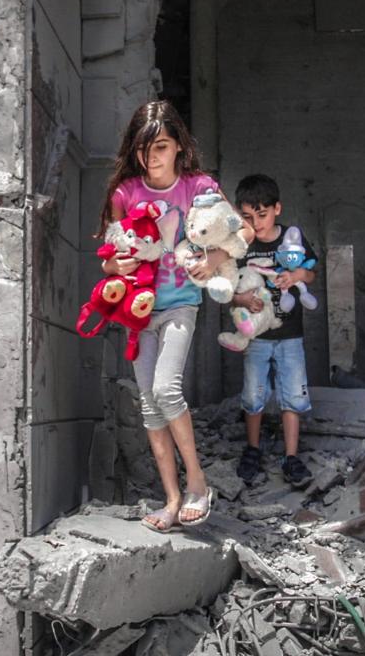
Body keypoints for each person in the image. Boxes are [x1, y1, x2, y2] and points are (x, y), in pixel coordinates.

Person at [97, 100, 245, 531]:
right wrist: (114, 267)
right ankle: (173, 499)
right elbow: (106, 258)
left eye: (161, 146)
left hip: (180, 303)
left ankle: (198, 484)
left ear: (178, 146)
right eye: (144, 149)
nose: (152, 157)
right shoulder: (125, 193)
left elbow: (242, 232)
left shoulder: (198, 187)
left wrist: (213, 258)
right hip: (137, 312)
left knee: (166, 388)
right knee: (150, 407)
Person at [230, 174, 317, 489]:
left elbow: (310, 273)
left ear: (277, 209)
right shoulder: (241, 245)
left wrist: (294, 277)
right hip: (256, 337)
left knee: (292, 395)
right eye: (248, 218)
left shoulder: (292, 238)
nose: (257, 224)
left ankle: (291, 457)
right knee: (253, 395)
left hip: (290, 336)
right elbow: (225, 288)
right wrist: (242, 299)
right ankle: (252, 449)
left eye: (262, 215)